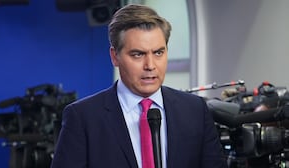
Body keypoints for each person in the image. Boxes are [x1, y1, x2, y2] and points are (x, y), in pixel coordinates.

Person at [51, 4, 227, 168]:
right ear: (115, 56)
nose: (150, 65)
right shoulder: (83, 118)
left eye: (158, 53)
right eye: (138, 54)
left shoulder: (194, 110)